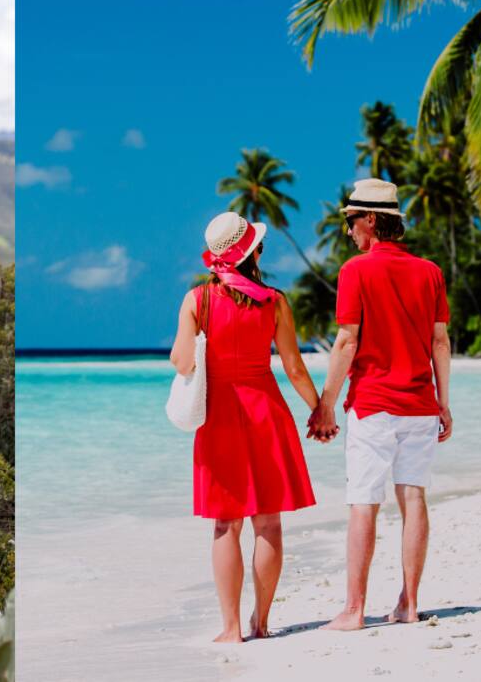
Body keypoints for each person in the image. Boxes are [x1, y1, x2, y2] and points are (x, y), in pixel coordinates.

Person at [170, 211, 326, 643]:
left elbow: (183, 362)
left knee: (225, 525)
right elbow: (294, 368)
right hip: (266, 411)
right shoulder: (274, 301)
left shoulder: (196, 300)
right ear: (253, 253)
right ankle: (262, 622)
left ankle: (232, 628)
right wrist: (320, 411)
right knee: (268, 524)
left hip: (218, 414)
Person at [308, 178, 452, 631]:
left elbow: (347, 340)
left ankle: (354, 609)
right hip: (420, 405)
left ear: (371, 220)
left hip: (373, 405)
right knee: (413, 498)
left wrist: (326, 404)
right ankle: (409, 604)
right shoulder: (429, 271)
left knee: (363, 503)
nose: (349, 230)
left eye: (352, 220)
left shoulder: (356, 271)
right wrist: (443, 403)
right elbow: (440, 342)